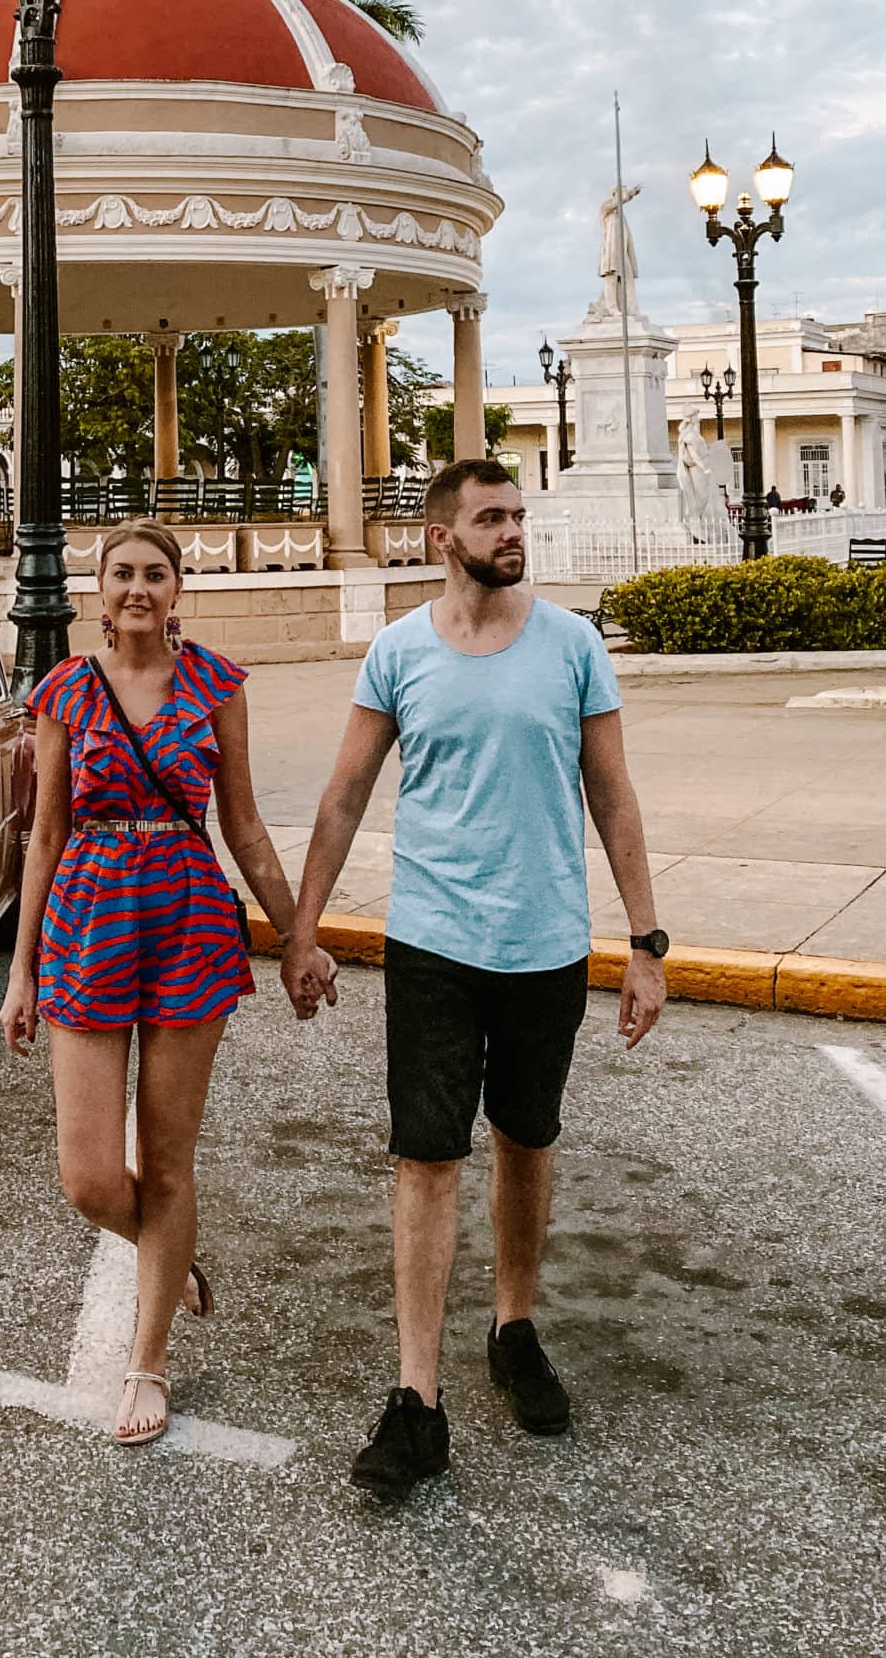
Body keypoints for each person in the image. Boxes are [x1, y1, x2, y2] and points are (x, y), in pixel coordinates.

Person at [281, 458, 667, 1499]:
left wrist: (645, 940)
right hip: (431, 944)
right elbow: (341, 796)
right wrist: (300, 928)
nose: (511, 531)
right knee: (424, 1154)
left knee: (525, 1138)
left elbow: (613, 796)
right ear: (441, 537)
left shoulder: (571, 644)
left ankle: (513, 1325)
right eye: (490, 517)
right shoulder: (399, 650)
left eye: (516, 516)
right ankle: (416, 1400)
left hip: (545, 942)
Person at [0, 523, 311, 1448]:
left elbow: (246, 826)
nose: (139, 588)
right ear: (99, 590)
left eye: (156, 574)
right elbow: (44, 836)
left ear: (179, 589)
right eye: (123, 574)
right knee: (90, 1177)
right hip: (88, 921)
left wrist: (297, 937)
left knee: (169, 1162)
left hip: (188, 920)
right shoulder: (64, 689)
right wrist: (19, 970)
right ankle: (167, 1254)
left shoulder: (216, 686)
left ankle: (148, 1361)